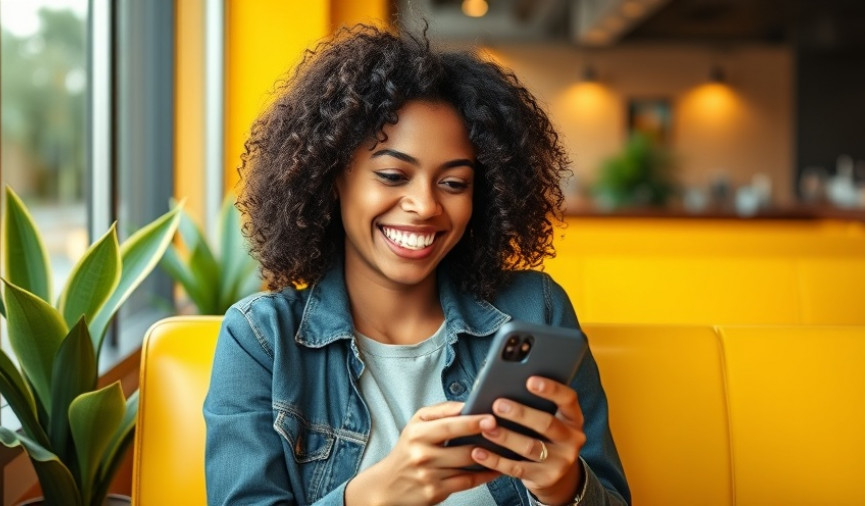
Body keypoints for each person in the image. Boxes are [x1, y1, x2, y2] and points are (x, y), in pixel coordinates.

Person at [204, 23, 630, 506]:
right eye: (392, 174)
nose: (425, 205)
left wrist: (564, 488)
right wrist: (374, 495)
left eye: (454, 183)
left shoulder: (536, 309)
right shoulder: (261, 340)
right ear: (332, 178)